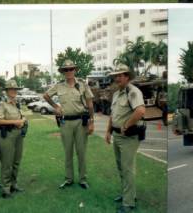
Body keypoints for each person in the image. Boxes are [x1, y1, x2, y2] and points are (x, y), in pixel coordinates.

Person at [43, 59, 95, 190]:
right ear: (63, 72)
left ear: (75, 70)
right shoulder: (59, 85)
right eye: (66, 70)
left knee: (81, 152)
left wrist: (92, 122)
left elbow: (90, 104)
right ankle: (69, 179)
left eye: (71, 69)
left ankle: (83, 179)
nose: (69, 72)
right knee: (68, 152)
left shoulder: (82, 84)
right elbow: (46, 95)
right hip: (65, 122)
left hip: (80, 122)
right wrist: (56, 106)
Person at [105, 64, 146, 213]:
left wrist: (126, 125)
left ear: (127, 76)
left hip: (128, 137)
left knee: (127, 169)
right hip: (117, 135)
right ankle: (127, 194)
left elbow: (140, 111)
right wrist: (108, 131)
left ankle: (128, 203)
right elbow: (113, 114)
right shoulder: (117, 93)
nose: (117, 78)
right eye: (116, 76)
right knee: (121, 167)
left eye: (120, 75)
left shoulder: (133, 91)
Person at [0, 79, 27, 198]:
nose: (13, 91)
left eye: (15, 89)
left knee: (16, 161)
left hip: (18, 135)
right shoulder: (2, 104)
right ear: (7, 91)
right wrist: (17, 121)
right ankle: (6, 189)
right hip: (7, 135)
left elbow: (21, 117)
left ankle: (14, 184)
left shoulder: (17, 103)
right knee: (7, 163)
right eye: (10, 89)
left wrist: (23, 121)